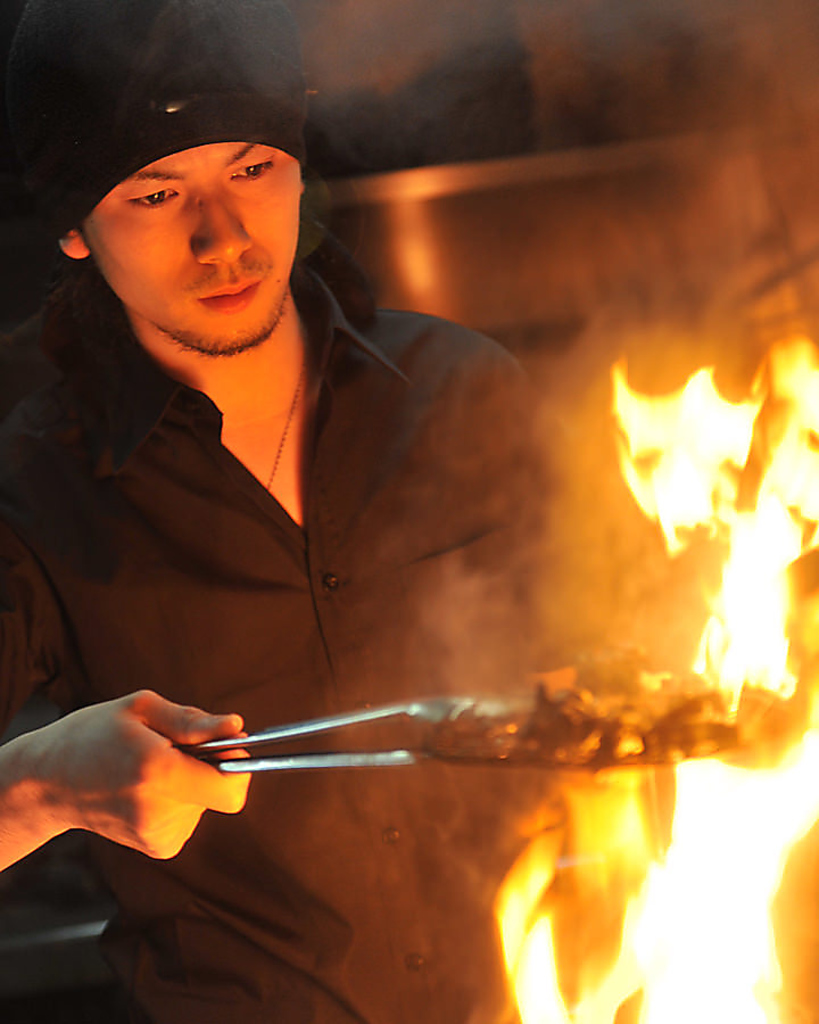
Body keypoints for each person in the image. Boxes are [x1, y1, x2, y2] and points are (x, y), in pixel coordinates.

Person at [0, 1, 557, 1021]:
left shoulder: (467, 393)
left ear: (301, 168)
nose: (222, 237)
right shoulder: (33, 490)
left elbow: (613, 709)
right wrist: (43, 786)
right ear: (76, 227)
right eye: (158, 191)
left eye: (251, 168)